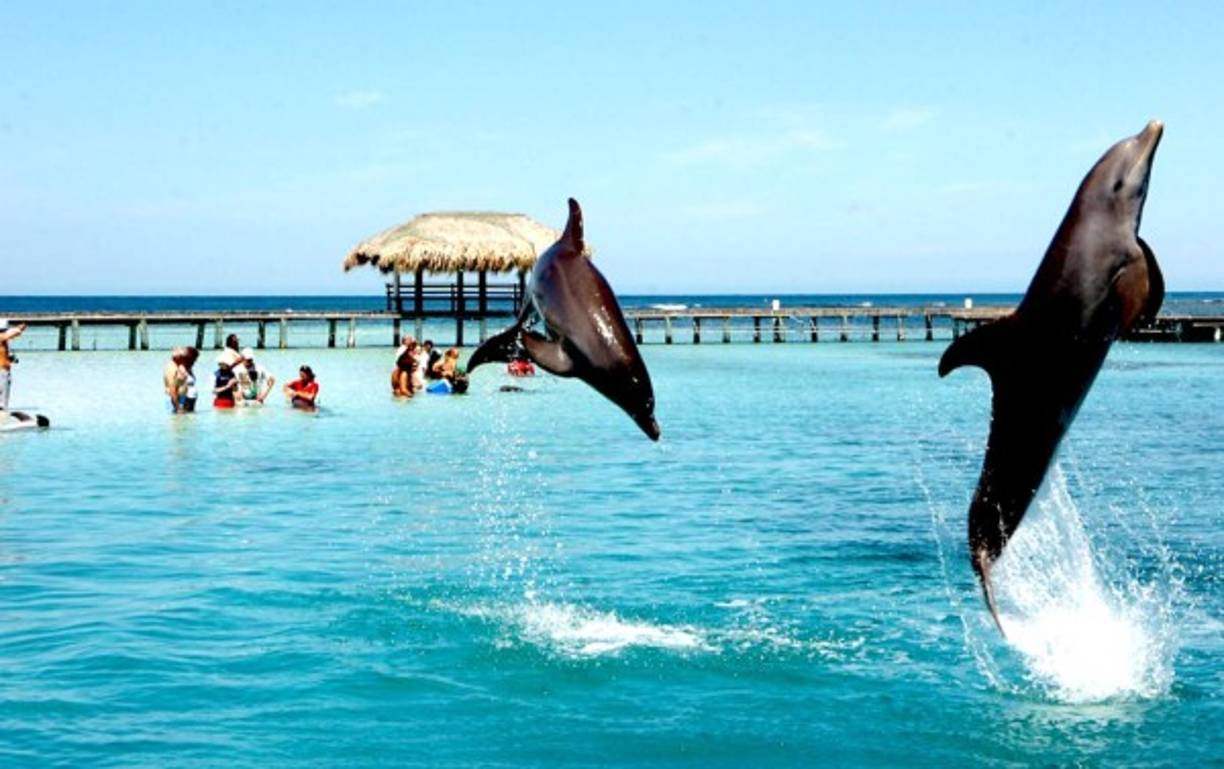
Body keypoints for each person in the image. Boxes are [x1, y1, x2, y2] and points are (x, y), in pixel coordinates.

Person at [0, 319, 28, 413]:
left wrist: (11, 358)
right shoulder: (1, 337)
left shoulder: (3, 342)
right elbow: (13, 333)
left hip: (3, 370)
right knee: (3, 398)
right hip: (2, 372)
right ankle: (2, 414)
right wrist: (20, 329)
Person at [163, 346, 200, 413]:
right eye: (193, 360)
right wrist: (178, 408)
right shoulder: (172, 368)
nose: (194, 362)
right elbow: (172, 390)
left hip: (184, 398)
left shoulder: (183, 366)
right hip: (175, 400)